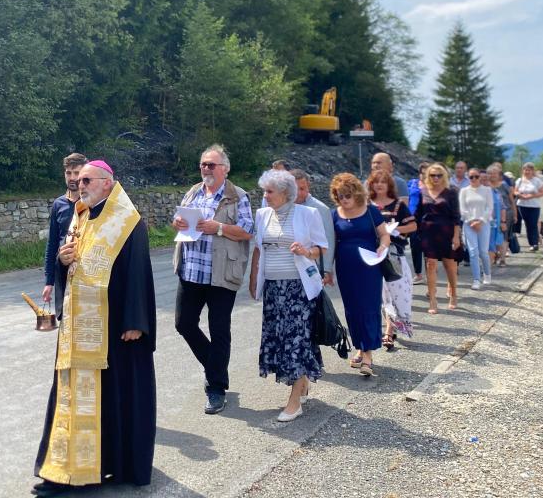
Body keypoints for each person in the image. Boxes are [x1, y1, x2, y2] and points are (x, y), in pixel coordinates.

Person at [33, 160, 156, 496]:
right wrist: (62, 261)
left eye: (87, 180)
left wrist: (135, 321)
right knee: (71, 397)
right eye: (78, 179)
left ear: (106, 183)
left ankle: (110, 466)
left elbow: (138, 273)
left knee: (113, 398)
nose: (79, 184)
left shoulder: (128, 221)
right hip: (78, 328)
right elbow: (71, 267)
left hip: (114, 328)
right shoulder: (80, 215)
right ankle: (62, 471)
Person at [171, 144, 254, 415]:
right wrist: (178, 223)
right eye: (203, 164)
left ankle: (216, 389)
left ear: (225, 169)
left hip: (221, 274)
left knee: (219, 330)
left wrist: (217, 228)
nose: (206, 169)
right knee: (183, 324)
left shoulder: (238, 196)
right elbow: (180, 219)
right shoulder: (194, 191)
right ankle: (215, 368)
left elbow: (246, 231)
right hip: (191, 271)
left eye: (211, 165)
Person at [248, 170, 327, 421]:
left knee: (296, 340)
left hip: (299, 288)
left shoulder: (307, 214)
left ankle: (294, 402)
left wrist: (306, 251)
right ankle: (302, 384)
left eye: (269, 191)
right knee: (281, 339)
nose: (265, 195)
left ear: (285, 193)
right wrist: (254, 278)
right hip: (273, 289)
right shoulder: (262, 214)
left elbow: (321, 248)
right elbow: (258, 249)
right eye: (264, 191)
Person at [329, 173, 392, 376]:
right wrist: (328, 270)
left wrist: (383, 247)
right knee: (352, 309)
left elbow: (385, 235)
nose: (344, 200)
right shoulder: (334, 215)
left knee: (368, 307)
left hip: (369, 268)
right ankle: (360, 346)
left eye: (347, 195)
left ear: (356, 193)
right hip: (345, 269)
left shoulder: (370, 211)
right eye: (340, 196)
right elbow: (331, 245)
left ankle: (367, 356)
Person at [366, 169, 417, 349]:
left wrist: (395, 229)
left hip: (394, 255)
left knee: (396, 292)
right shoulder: (366, 205)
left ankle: (392, 327)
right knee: (381, 294)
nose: (379, 185)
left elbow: (413, 225)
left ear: (389, 185)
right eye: (376, 181)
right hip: (372, 255)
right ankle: (388, 329)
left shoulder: (398, 205)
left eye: (383, 181)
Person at [415, 162, 462, 314]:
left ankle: (453, 294)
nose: (436, 178)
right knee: (430, 264)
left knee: (450, 265)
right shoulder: (423, 191)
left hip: (447, 232)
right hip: (428, 233)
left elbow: (456, 216)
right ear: (427, 176)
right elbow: (417, 213)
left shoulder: (451, 192)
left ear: (444, 176)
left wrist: (456, 236)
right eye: (432, 175)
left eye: (439, 175)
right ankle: (433, 300)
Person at [42, 153, 87, 304]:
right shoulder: (58, 204)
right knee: (63, 315)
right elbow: (52, 243)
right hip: (62, 270)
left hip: (86, 273)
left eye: (77, 173)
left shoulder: (91, 202)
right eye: (68, 173)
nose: (72, 177)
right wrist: (49, 282)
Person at [290, 169, 336, 284]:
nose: (298, 193)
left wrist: (326, 269)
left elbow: (328, 241)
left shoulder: (320, 209)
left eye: (302, 189)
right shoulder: (283, 207)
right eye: (295, 189)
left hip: (311, 267)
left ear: (308, 187)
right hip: (288, 267)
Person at [459, 167, 494, 289]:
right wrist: (471, 221)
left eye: (476, 176)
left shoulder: (487, 190)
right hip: (469, 224)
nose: (474, 179)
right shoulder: (464, 191)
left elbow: (489, 208)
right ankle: (476, 279)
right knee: (473, 252)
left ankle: (487, 274)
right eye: (471, 177)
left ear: (480, 177)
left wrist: (480, 221)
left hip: (483, 224)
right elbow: (463, 209)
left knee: (483, 252)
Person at [515, 163, 543, 251]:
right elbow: (515, 191)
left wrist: (532, 196)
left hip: (534, 205)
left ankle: (534, 243)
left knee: (533, 224)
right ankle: (531, 243)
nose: (527, 172)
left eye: (529, 170)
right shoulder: (519, 180)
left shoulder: (537, 181)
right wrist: (519, 195)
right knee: (527, 224)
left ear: (532, 171)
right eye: (525, 170)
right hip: (522, 205)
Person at [406, 162, 429, 283]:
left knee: (428, 248)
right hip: (413, 218)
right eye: (422, 173)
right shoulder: (412, 183)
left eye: (427, 173)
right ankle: (418, 274)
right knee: (415, 246)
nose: (424, 175)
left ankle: (430, 274)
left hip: (427, 219)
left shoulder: (432, 185)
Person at [487, 165, 513, 267]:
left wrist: (515, 213)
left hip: (505, 213)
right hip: (490, 216)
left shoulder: (504, 185)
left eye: (495, 173)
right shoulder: (485, 186)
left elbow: (511, 200)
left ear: (499, 175)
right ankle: (494, 255)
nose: (492, 175)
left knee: (503, 236)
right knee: (491, 238)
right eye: (490, 173)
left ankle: (502, 259)